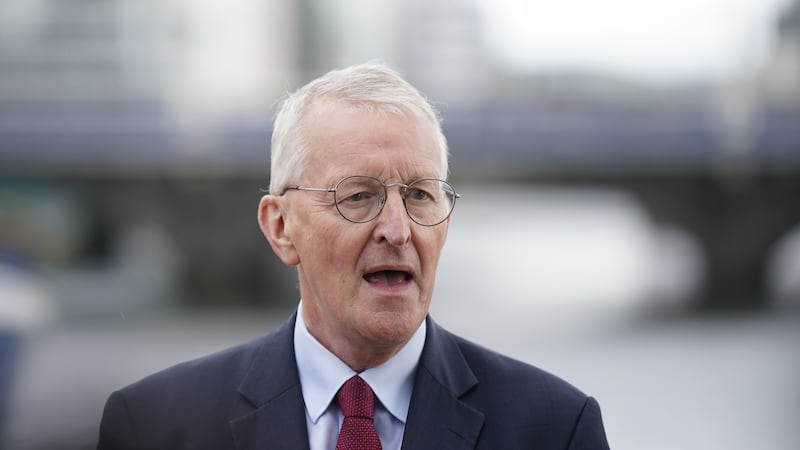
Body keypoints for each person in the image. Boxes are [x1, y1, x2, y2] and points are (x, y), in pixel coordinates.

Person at [97, 61, 610, 450]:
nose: (397, 230)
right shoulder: (155, 425)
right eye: (358, 196)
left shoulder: (554, 428)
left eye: (420, 195)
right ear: (281, 227)